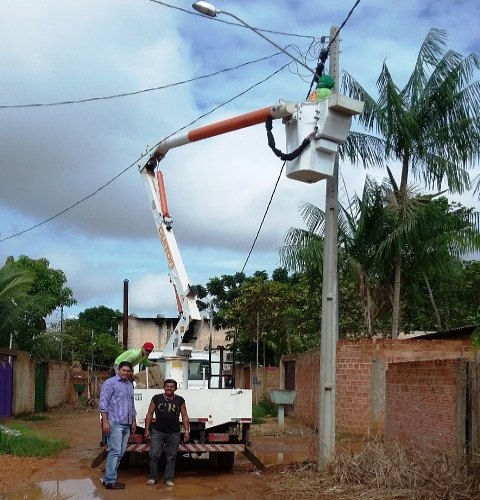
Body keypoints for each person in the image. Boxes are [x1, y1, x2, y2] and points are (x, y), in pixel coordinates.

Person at [144, 379, 190, 487]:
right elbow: (149, 414)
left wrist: (187, 431)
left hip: (174, 433)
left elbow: (184, 416)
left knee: (172, 456)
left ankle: (168, 479)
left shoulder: (180, 400)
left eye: (172, 386)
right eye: (167, 386)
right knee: (153, 455)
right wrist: (147, 429)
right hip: (158, 432)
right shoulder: (156, 398)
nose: (169, 388)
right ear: (164, 387)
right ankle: (152, 477)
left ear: (175, 388)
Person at [99, 361, 137, 490]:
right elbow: (103, 403)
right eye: (123, 370)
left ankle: (109, 478)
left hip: (126, 423)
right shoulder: (110, 383)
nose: (125, 373)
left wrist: (134, 421)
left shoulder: (130, 385)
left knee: (120, 453)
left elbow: (132, 405)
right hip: (114, 422)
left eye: (128, 371)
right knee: (115, 452)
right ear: (118, 370)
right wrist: (105, 421)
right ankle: (110, 480)